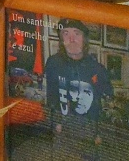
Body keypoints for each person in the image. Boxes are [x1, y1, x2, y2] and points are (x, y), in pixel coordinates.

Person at [44, 18, 112, 159]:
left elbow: (106, 102)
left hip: (89, 134)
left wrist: (100, 132)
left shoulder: (97, 69)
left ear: (84, 39)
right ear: (61, 39)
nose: (71, 39)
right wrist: (55, 122)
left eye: (76, 33)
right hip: (62, 131)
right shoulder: (53, 63)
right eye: (66, 33)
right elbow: (51, 95)